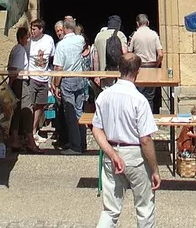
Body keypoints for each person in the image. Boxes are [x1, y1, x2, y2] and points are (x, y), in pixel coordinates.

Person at [91, 52, 161, 228]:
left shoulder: (104, 96)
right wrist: (155, 169)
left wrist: (112, 154)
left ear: (119, 69)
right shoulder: (139, 100)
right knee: (144, 207)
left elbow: (96, 128)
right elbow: (145, 139)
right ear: (137, 71)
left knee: (110, 210)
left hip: (112, 152)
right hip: (134, 154)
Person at [53, 17, 87, 154]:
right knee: (79, 112)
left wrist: (56, 85)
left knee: (71, 114)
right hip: (79, 78)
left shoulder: (61, 45)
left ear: (64, 29)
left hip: (67, 79)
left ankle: (75, 146)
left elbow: (58, 68)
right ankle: (82, 142)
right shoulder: (80, 40)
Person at [8, 26, 37, 153]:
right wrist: (11, 84)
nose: (28, 40)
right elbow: (15, 69)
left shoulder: (16, 49)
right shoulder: (20, 50)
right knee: (27, 111)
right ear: (21, 38)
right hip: (20, 82)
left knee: (17, 112)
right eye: (26, 37)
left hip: (18, 82)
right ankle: (30, 141)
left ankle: (16, 140)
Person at [28, 19, 55, 141]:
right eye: (31, 29)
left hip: (44, 77)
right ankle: (28, 133)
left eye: (34, 29)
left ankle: (34, 131)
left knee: (41, 105)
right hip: (32, 77)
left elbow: (52, 58)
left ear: (41, 29)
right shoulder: (29, 41)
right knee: (30, 105)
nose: (32, 31)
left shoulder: (49, 40)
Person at [129, 14, 163, 110]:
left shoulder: (135, 35)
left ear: (137, 23)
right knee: (150, 97)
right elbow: (160, 54)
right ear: (148, 22)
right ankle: (149, 115)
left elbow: (129, 53)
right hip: (152, 67)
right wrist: (156, 64)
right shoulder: (154, 34)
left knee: (139, 95)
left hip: (139, 67)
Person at [93, 15, 128, 86]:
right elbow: (124, 52)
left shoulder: (99, 36)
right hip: (118, 73)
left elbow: (95, 59)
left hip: (103, 74)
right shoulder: (120, 34)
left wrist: (96, 75)